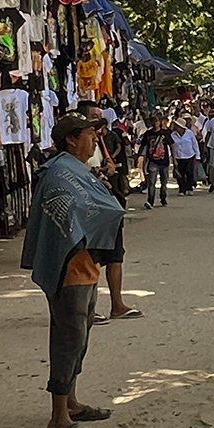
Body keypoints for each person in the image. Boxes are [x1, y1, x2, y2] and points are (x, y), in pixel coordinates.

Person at [22, 112, 122, 428]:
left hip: (85, 267)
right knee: (68, 341)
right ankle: (57, 419)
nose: (95, 140)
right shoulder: (59, 175)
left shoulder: (72, 170)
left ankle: (72, 403)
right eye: (90, 135)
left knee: (78, 340)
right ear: (71, 139)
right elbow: (64, 220)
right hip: (71, 269)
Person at [73, 99, 139, 318]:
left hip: (106, 202)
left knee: (115, 255)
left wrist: (107, 169)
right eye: (94, 116)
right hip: (90, 205)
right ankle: (88, 309)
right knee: (90, 257)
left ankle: (117, 304)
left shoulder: (99, 139)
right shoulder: (77, 142)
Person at [140, 116, 174, 206]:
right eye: (153, 121)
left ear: (160, 122)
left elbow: (172, 145)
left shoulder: (165, 133)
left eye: (157, 121)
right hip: (152, 161)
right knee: (151, 182)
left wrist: (174, 159)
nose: (155, 123)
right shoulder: (148, 134)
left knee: (164, 182)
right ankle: (150, 200)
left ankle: (163, 197)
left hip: (164, 161)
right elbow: (143, 146)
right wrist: (141, 158)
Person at [169, 109, 202, 196]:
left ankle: (189, 187)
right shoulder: (173, 135)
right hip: (179, 157)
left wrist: (197, 156)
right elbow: (171, 146)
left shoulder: (189, 133)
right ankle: (182, 189)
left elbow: (195, 144)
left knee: (189, 173)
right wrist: (171, 157)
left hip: (189, 156)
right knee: (180, 174)